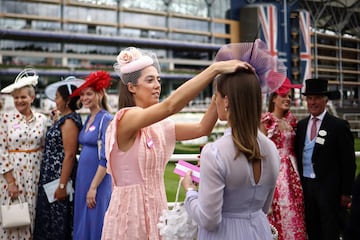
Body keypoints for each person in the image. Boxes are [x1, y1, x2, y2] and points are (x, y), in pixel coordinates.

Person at [100, 45, 262, 240]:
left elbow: (203, 128)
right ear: (132, 87)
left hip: (158, 209)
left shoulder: (159, 125)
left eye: (158, 80)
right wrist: (214, 69)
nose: (157, 85)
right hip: (130, 213)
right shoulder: (125, 118)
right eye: (150, 80)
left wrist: (219, 93)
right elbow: (170, 106)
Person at [180, 40, 285, 240]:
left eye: (216, 96)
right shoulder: (271, 148)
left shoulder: (215, 152)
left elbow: (209, 219)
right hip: (259, 231)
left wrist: (190, 191)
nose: (215, 101)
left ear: (226, 100)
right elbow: (264, 206)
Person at [294, 78, 356, 240]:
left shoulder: (338, 126)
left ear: (325, 100)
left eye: (317, 98)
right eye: (309, 98)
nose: (312, 102)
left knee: (329, 231)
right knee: (312, 229)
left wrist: (346, 192)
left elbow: (348, 162)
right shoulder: (301, 126)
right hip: (307, 188)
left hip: (329, 190)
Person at [33, 76, 84, 240]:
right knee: (49, 221)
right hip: (51, 179)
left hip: (58, 181)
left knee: (57, 222)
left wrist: (62, 185)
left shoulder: (69, 121)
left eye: (57, 97)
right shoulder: (64, 119)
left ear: (67, 100)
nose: (55, 101)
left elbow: (69, 155)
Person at [0, 68, 48, 239]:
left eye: (23, 97)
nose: (19, 101)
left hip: (34, 177)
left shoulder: (42, 119)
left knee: (31, 216)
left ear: (32, 98)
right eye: (16, 98)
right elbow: (1, 150)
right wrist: (10, 181)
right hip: (12, 176)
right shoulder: (6, 118)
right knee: (12, 217)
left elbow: (45, 147)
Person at [260, 78, 307, 240]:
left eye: (289, 96)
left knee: (296, 212)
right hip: (276, 173)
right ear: (273, 98)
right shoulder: (266, 121)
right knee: (279, 213)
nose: (288, 99)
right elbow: (260, 154)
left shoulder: (292, 120)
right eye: (283, 95)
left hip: (294, 174)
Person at [71, 71, 113, 240]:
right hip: (83, 178)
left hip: (97, 180)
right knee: (82, 219)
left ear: (100, 94)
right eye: (82, 95)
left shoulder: (106, 119)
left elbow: (106, 157)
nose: (85, 98)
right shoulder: (88, 117)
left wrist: (94, 187)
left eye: (89, 94)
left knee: (96, 220)